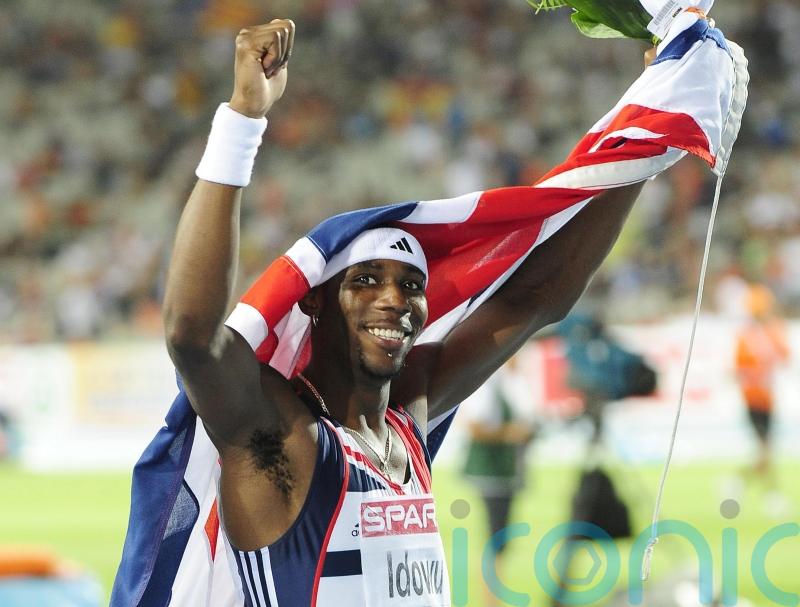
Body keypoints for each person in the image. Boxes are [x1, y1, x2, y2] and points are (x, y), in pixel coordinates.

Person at [112, 7, 747, 606]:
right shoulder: (282, 434)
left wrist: (652, 136)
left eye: (411, 285)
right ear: (315, 303)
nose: (395, 300)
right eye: (365, 281)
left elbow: (534, 297)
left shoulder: (408, 416)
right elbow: (192, 334)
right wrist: (243, 120)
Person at [461, 353, 537, 607]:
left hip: (506, 472)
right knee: (496, 535)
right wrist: (508, 434)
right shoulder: (490, 385)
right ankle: (490, 598)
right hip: (491, 471)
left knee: (500, 536)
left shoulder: (513, 384)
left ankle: (493, 596)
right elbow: (474, 426)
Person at [734, 284, 789, 504]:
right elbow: (739, 369)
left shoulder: (772, 331)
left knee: (766, 451)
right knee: (765, 450)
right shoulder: (746, 336)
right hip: (753, 398)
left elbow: (784, 356)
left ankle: (741, 482)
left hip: (767, 399)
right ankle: (771, 493)